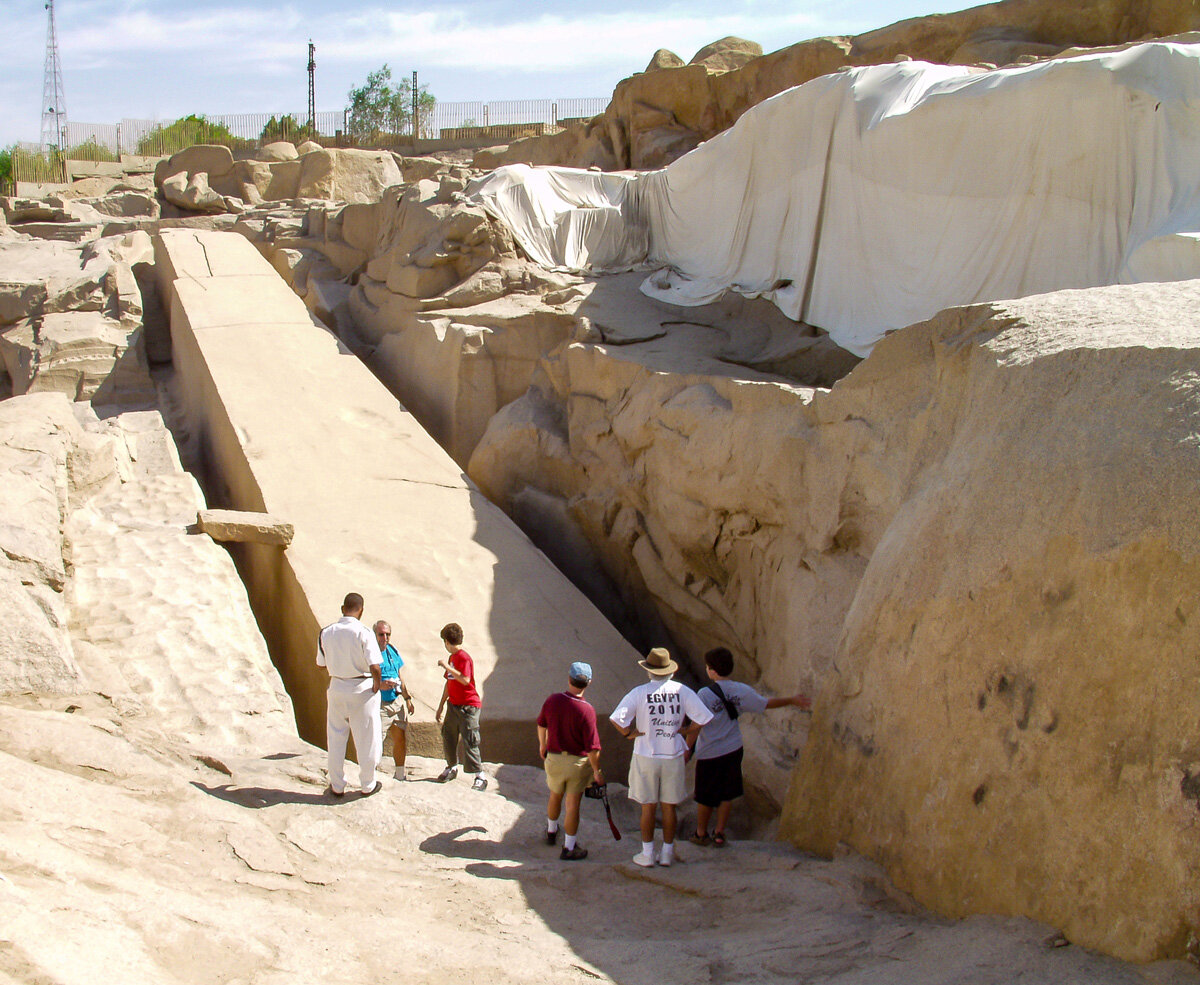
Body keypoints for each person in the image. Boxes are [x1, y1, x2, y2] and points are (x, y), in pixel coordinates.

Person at [687, 646, 811, 847]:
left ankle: (701, 833)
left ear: (711, 670)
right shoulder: (741, 691)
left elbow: (697, 724)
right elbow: (765, 704)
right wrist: (791, 700)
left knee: (705, 796)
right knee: (727, 794)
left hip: (709, 752)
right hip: (732, 748)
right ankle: (719, 832)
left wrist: (686, 748)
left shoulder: (704, 695)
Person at [610, 647, 713, 868]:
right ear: (670, 671)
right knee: (669, 806)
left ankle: (647, 854)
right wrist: (686, 731)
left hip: (646, 753)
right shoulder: (682, 691)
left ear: (649, 671)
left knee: (647, 807)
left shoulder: (639, 692)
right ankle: (667, 852)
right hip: (673, 753)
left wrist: (629, 733)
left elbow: (617, 719)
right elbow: (704, 718)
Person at [317, 592, 384, 797]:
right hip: (361, 687)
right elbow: (375, 666)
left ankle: (337, 785)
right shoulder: (364, 632)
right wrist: (376, 686)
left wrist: (337, 674)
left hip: (337, 686)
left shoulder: (326, 632)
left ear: (342, 608)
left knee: (336, 736)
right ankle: (367, 784)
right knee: (366, 738)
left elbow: (321, 664)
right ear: (361, 611)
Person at [537, 661, 604, 861]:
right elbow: (593, 747)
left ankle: (551, 831)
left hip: (555, 758)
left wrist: (543, 745)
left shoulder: (553, 700)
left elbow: (541, 724)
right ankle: (569, 847)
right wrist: (597, 771)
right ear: (589, 683)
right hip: (577, 763)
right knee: (573, 804)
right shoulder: (587, 710)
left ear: (569, 679)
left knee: (554, 795)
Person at [434, 622, 486, 790]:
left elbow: (465, 679)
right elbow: (449, 683)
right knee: (448, 735)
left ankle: (480, 776)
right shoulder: (451, 658)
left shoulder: (463, 658)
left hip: (469, 706)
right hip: (453, 705)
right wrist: (441, 705)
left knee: (470, 739)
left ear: (448, 642)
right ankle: (451, 767)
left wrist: (447, 666)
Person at [373, 620, 416, 781]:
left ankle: (399, 774)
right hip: (379, 704)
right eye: (381, 634)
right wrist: (380, 685)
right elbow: (362, 678)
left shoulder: (392, 650)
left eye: (387, 634)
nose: (385, 638)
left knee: (400, 738)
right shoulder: (370, 653)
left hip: (396, 701)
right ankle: (370, 776)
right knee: (376, 740)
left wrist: (407, 698)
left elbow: (399, 676)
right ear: (375, 635)